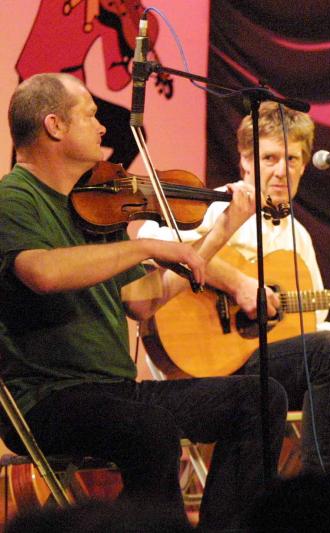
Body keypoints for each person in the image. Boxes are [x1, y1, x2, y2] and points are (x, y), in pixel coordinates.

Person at [0, 73, 288, 531]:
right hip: (47, 397)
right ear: (54, 126)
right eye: (91, 116)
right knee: (150, 428)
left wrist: (222, 229)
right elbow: (42, 273)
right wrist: (146, 247)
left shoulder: (94, 201)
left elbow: (141, 302)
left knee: (260, 398)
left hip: (116, 390)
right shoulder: (13, 198)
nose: (102, 127)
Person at [137, 101, 330, 500]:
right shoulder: (212, 206)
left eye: (291, 159)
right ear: (245, 160)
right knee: (329, 353)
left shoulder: (297, 236)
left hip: (276, 368)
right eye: (269, 158)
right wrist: (237, 282)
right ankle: (319, 502)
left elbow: (319, 335)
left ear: (304, 165)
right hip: (212, 367)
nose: (280, 170)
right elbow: (152, 245)